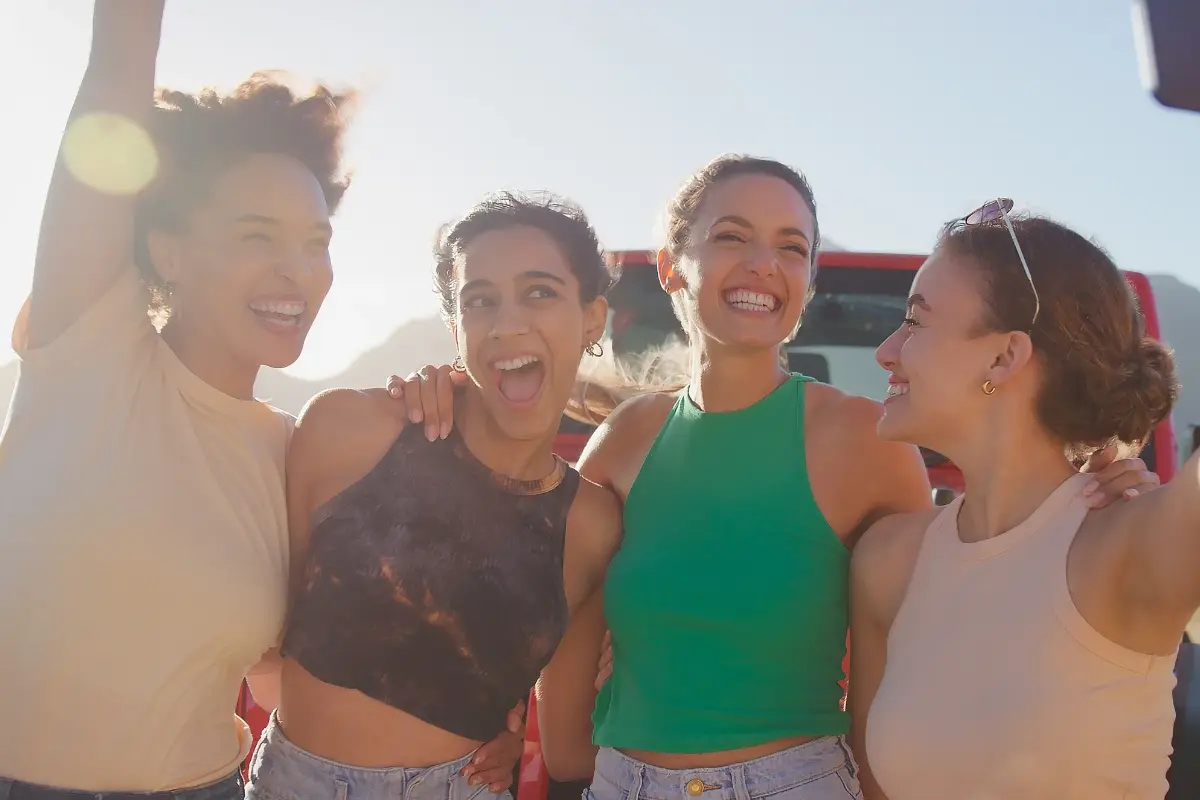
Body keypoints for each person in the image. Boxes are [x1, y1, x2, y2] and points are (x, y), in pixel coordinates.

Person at [389, 159, 1155, 800]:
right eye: (732, 237)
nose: (764, 264)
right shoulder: (621, 443)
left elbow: (956, 608)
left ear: (808, 279)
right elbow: (546, 625)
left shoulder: (868, 439)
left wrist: (1075, 492)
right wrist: (507, 717)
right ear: (671, 269)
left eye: (791, 248)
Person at [0, 3, 520, 797]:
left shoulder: (301, 451)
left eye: (316, 243)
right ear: (168, 247)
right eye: (256, 236)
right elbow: (116, 69)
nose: (297, 272)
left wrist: (491, 727)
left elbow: (308, 672)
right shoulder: (86, 345)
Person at [244, 192, 625, 800]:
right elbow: (264, 649)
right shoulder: (350, 430)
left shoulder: (592, 523)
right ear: (456, 329)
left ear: (592, 319)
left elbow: (568, 748)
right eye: (480, 301)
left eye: (540, 292)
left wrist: (516, 725)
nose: (507, 324)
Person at [848, 201, 1198, 800]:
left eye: (915, 320)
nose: (887, 349)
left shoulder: (1135, 544)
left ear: (1005, 356)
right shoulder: (888, 562)